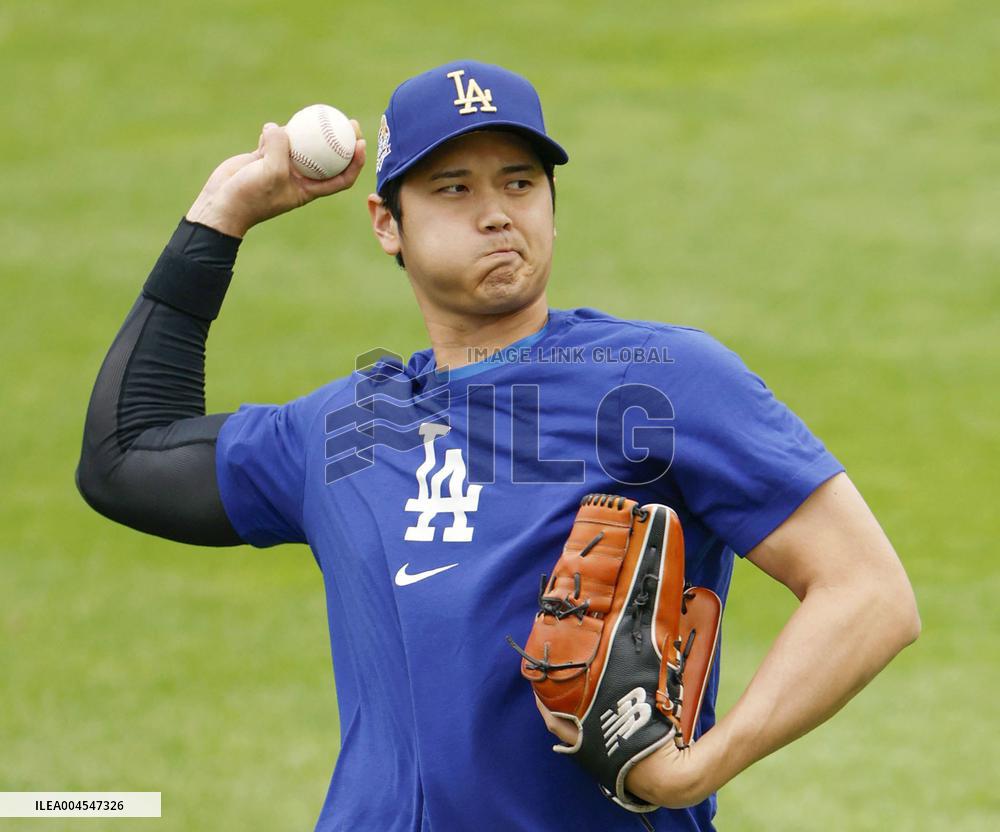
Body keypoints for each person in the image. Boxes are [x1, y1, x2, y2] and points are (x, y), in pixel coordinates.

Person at [77, 60, 920, 831]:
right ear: (387, 223)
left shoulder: (659, 382)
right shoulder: (346, 429)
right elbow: (124, 458)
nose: (496, 213)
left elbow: (869, 594)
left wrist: (695, 771)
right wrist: (221, 216)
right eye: (453, 188)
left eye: (520, 182)